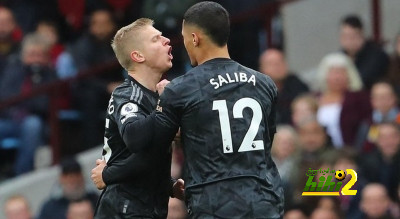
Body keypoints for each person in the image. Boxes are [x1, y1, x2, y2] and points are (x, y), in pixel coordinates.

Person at [118, 2, 284, 217]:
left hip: (214, 205)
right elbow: (265, 139)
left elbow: (145, 143)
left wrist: (112, 172)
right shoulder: (264, 83)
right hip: (264, 201)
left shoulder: (181, 89)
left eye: (185, 38)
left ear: (195, 39)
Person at [90, 18, 183, 219]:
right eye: (156, 39)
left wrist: (168, 185)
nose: (167, 40)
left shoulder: (156, 96)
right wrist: (164, 108)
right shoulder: (127, 94)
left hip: (148, 208)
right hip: (123, 209)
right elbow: (136, 138)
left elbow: (150, 155)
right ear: (138, 55)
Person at [316, 53, 371, 148]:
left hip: (349, 151)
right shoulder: (315, 98)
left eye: (341, 73)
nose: (337, 78)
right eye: (333, 73)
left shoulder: (360, 98)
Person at [259, 48, 309, 124]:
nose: (277, 67)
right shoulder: (254, 90)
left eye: (280, 62)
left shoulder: (298, 85)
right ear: (262, 68)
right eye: (272, 64)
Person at [339, 14, 389, 89]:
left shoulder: (376, 55)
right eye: (344, 36)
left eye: (352, 36)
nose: (348, 41)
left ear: (361, 34)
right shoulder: (340, 56)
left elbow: (363, 80)